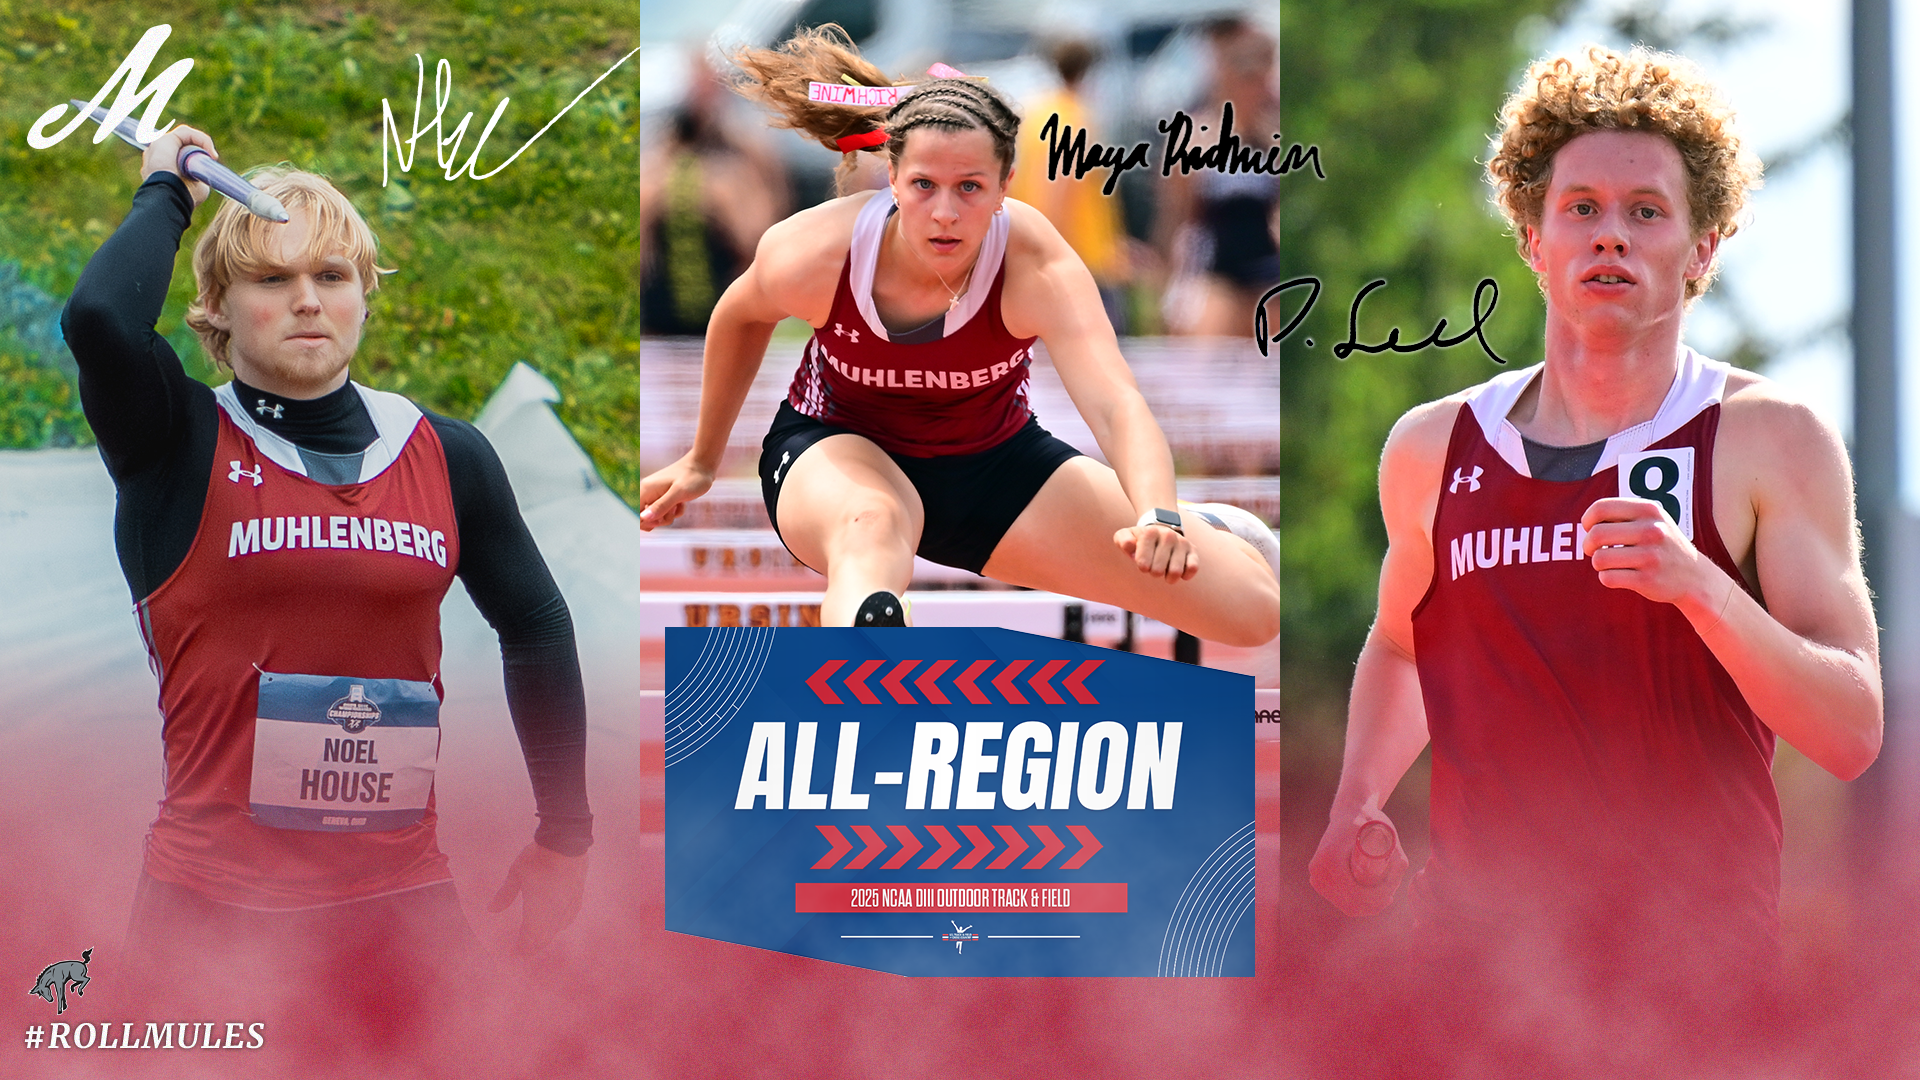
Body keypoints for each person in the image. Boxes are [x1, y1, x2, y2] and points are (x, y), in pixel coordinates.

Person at [1308, 47, 1881, 997]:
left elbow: (1852, 730)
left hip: (1691, 983)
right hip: (1475, 979)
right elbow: (1405, 647)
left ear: (1701, 249)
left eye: (1646, 212)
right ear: (1534, 241)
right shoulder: (1432, 447)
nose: (1610, 235)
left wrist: (1702, 588)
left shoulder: (1768, 438)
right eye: (1581, 208)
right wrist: (1356, 805)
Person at [60, 128, 592, 1020]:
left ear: (364, 296)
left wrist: (565, 836)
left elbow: (536, 625)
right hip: (210, 913)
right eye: (272, 280)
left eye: (332, 275)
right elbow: (102, 321)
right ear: (217, 308)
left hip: (402, 908)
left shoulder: (446, 453)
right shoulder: (174, 440)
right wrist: (166, 190)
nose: (307, 300)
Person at [638, 26, 1279, 643]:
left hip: (992, 467)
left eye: (970, 188)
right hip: (835, 449)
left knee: (1252, 610)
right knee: (874, 525)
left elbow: (1116, 403)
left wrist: (1158, 513)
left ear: (1005, 188)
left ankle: (1210, 526)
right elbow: (739, 315)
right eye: (924, 186)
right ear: (892, 179)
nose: (945, 214)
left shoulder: (1036, 265)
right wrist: (702, 459)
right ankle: (868, 677)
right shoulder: (818, 251)